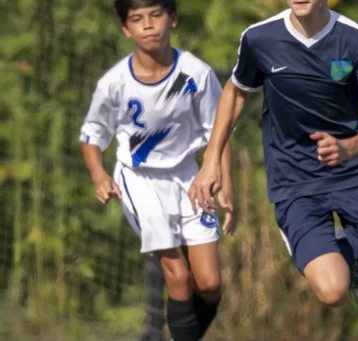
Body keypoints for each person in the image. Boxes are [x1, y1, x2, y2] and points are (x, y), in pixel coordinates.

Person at [187, 0, 358, 340]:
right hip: (296, 178)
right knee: (333, 291)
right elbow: (236, 92)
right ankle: (350, 259)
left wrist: (346, 148)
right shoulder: (259, 38)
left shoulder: (356, 41)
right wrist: (211, 161)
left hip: (356, 172)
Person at [79, 1, 236, 340]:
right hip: (140, 180)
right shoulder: (115, 83)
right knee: (178, 275)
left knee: (209, 284)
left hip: (190, 177)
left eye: (156, 15)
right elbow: (91, 137)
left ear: (173, 18)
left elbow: (218, 133)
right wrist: (99, 174)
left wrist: (226, 185)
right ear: (126, 29)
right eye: (137, 19)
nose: (148, 25)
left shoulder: (196, 74)